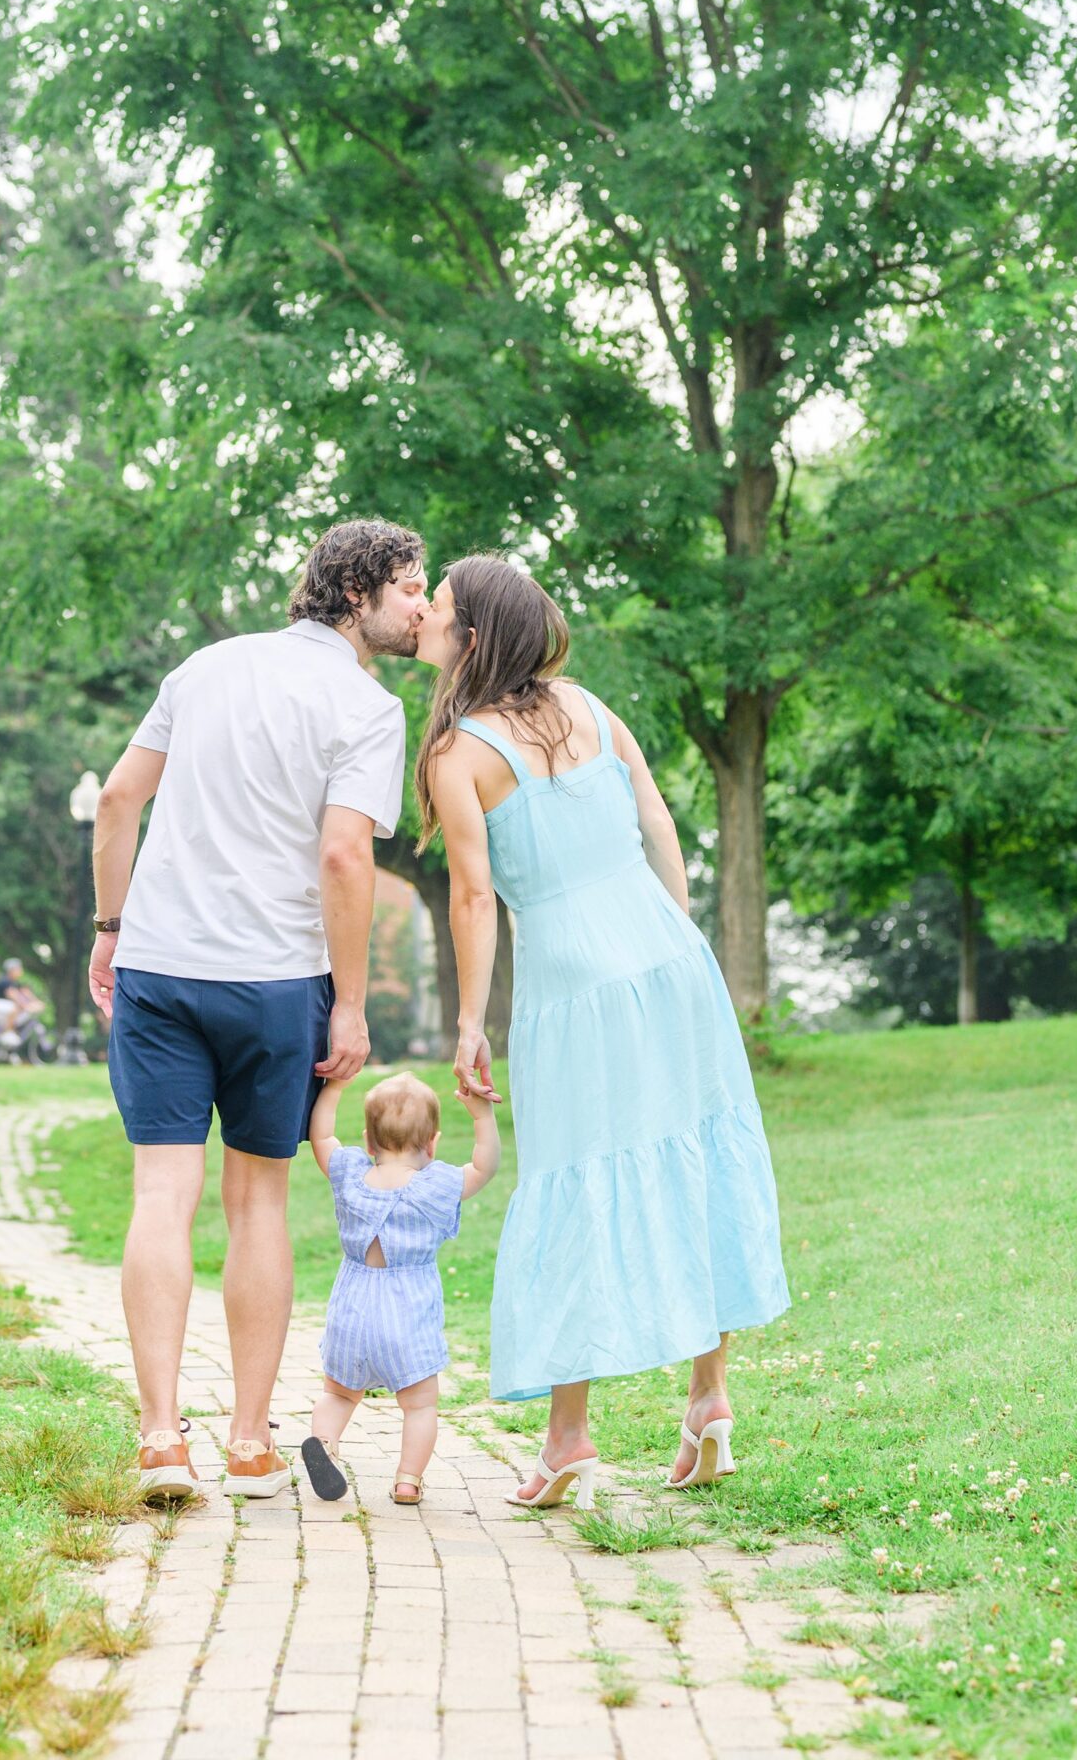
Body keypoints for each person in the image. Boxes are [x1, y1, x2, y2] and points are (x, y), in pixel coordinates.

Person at [417, 556, 790, 1503]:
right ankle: (709, 1400)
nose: (422, 615)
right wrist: (677, 942)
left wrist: (469, 1021)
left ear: (471, 638)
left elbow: (473, 896)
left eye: (440, 608)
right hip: (666, 957)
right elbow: (656, 818)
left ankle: (569, 1438)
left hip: (572, 981)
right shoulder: (588, 705)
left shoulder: (458, 753)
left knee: (575, 1181)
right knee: (690, 1155)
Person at [87, 519, 429, 1503]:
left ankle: (158, 1436)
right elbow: (341, 855)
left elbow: (117, 801)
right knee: (257, 1201)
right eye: (409, 586)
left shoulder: (203, 668)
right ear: (358, 593)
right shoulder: (364, 705)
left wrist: (109, 926)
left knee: (161, 1195)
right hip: (279, 979)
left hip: (158, 964)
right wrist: (352, 1004)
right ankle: (244, 1441)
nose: (420, 606)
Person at [301, 1070, 501, 1507]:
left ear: (368, 1143)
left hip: (352, 1310)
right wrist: (482, 1116)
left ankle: (326, 1444)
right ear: (432, 1143)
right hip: (406, 1314)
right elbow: (485, 1166)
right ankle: (408, 1480)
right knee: (420, 1405)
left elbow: (322, 1138)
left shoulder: (351, 1176)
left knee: (337, 1393)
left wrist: (333, 1088)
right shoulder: (436, 1187)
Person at [0, 956, 42, 1048]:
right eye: (18, 968)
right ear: (11, 970)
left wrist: (36, 1002)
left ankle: (6, 1047)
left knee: (16, 1018)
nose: (21, 971)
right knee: (14, 1008)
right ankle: (7, 1034)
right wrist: (27, 1005)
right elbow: (15, 997)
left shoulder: (15, 983)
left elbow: (25, 993)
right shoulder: (5, 981)